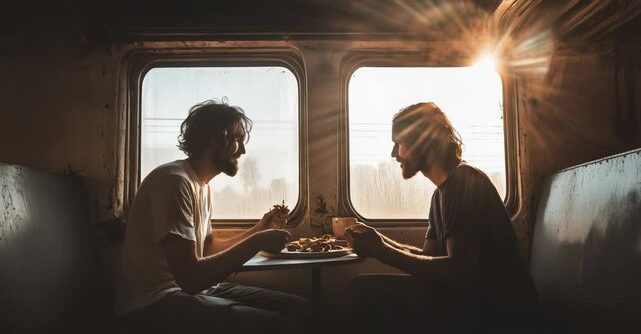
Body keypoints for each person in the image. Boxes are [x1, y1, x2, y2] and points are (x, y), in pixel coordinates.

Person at [116, 99, 309, 333]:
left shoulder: (202, 185)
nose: (243, 150)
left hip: (191, 292)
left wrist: (260, 229)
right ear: (216, 140)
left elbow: (206, 248)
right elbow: (191, 278)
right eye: (237, 139)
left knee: (298, 307)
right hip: (155, 302)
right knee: (277, 326)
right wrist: (258, 242)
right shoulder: (174, 181)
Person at [345, 102, 537, 332]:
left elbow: (461, 273)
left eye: (399, 143)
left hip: (499, 312)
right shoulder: (441, 194)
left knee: (364, 292)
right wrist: (380, 241)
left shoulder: (463, 182)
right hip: (474, 302)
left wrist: (381, 251)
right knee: (365, 288)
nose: (394, 153)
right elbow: (429, 258)